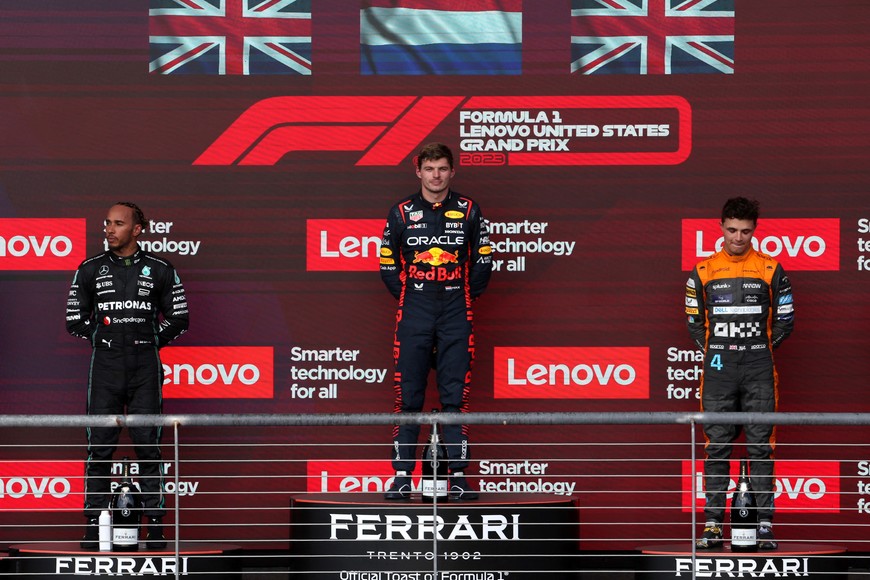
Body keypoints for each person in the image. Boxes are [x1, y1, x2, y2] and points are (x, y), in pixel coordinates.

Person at [66, 202, 189, 549]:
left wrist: (151, 341)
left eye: (118, 224)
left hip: (145, 369)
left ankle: (156, 530)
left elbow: (180, 317)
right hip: (105, 368)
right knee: (98, 450)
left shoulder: (161, 269)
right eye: (107, 223)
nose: (109, 229)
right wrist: (98, 337)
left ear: (137, 230)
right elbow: (74, 319)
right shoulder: (89, 269)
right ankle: (93, 527)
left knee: (149, 449)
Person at [379, 143, 493, 501]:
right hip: (414, 307)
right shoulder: (401, 212)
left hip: (456, 307)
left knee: (455, 397)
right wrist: (412, 293)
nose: (436, 175)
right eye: (430, 169)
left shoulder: (470, 209)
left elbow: (484, 260)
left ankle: (457, 478)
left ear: (452, 171)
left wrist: (459, 293)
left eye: (443, 168)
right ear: (419, 172)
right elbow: (386, 263)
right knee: (407, 396)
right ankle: (401, 479)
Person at [685, 197, 794, 550]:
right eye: (732, 229)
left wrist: (759, 349)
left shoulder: (770, 268)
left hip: (759, 368)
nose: (738, 237)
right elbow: (693, 322)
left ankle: (763, 525)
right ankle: (714, 525)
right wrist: (719, 350)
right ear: (720, 227)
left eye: (745, 231)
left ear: (755, 231)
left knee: (761, 446)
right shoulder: (702, 271)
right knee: (717, 446)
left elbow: (785, 320)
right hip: (718, 370)